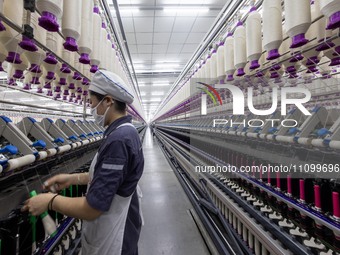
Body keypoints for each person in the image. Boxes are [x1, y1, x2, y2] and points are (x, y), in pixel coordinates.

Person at [22, 70, 144, 255]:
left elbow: (92, 208)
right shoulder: (125, 132)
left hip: (114, 242)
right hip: (118, 228)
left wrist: (50, 201)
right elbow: (111, 177)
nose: (91, 107)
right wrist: (73, 179)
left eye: (92, 101)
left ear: (108, 101)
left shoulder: (119, 140)